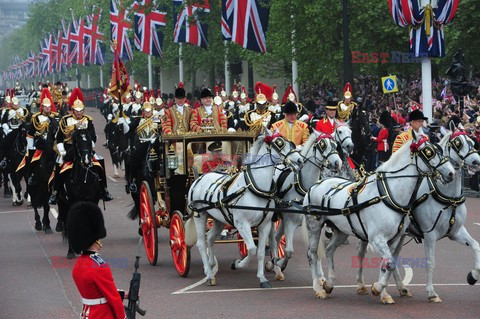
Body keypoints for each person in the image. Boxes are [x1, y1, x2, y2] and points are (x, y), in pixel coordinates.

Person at [50, 87, 113, 203]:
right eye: (77, 110)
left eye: (81, 110)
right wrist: (62, 151)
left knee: (99, 162)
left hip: (85, 149)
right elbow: (59, 137)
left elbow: (93, 136)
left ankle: (104, 190)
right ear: (73, 110)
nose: (79, 113)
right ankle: (55, 192)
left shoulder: (88, 120)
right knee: (59, 165)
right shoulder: (65, 120)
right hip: (69, 148)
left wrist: (89, 147)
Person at [67, 201, 126, 319]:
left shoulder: (78, 266)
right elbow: (113, 299)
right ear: (95, 239)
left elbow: (96, 292)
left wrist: (125, 294)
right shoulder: (99, 267)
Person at [25, 89, 59, 185]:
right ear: (42, 107)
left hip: (53, 144)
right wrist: (30, 147)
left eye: (49, 107)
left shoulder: (55, 117)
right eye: (45, 107)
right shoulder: (36, 117)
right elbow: (31, 133)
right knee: (33, 159)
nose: (48, 108)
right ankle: (32, 175)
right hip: (40, 144)